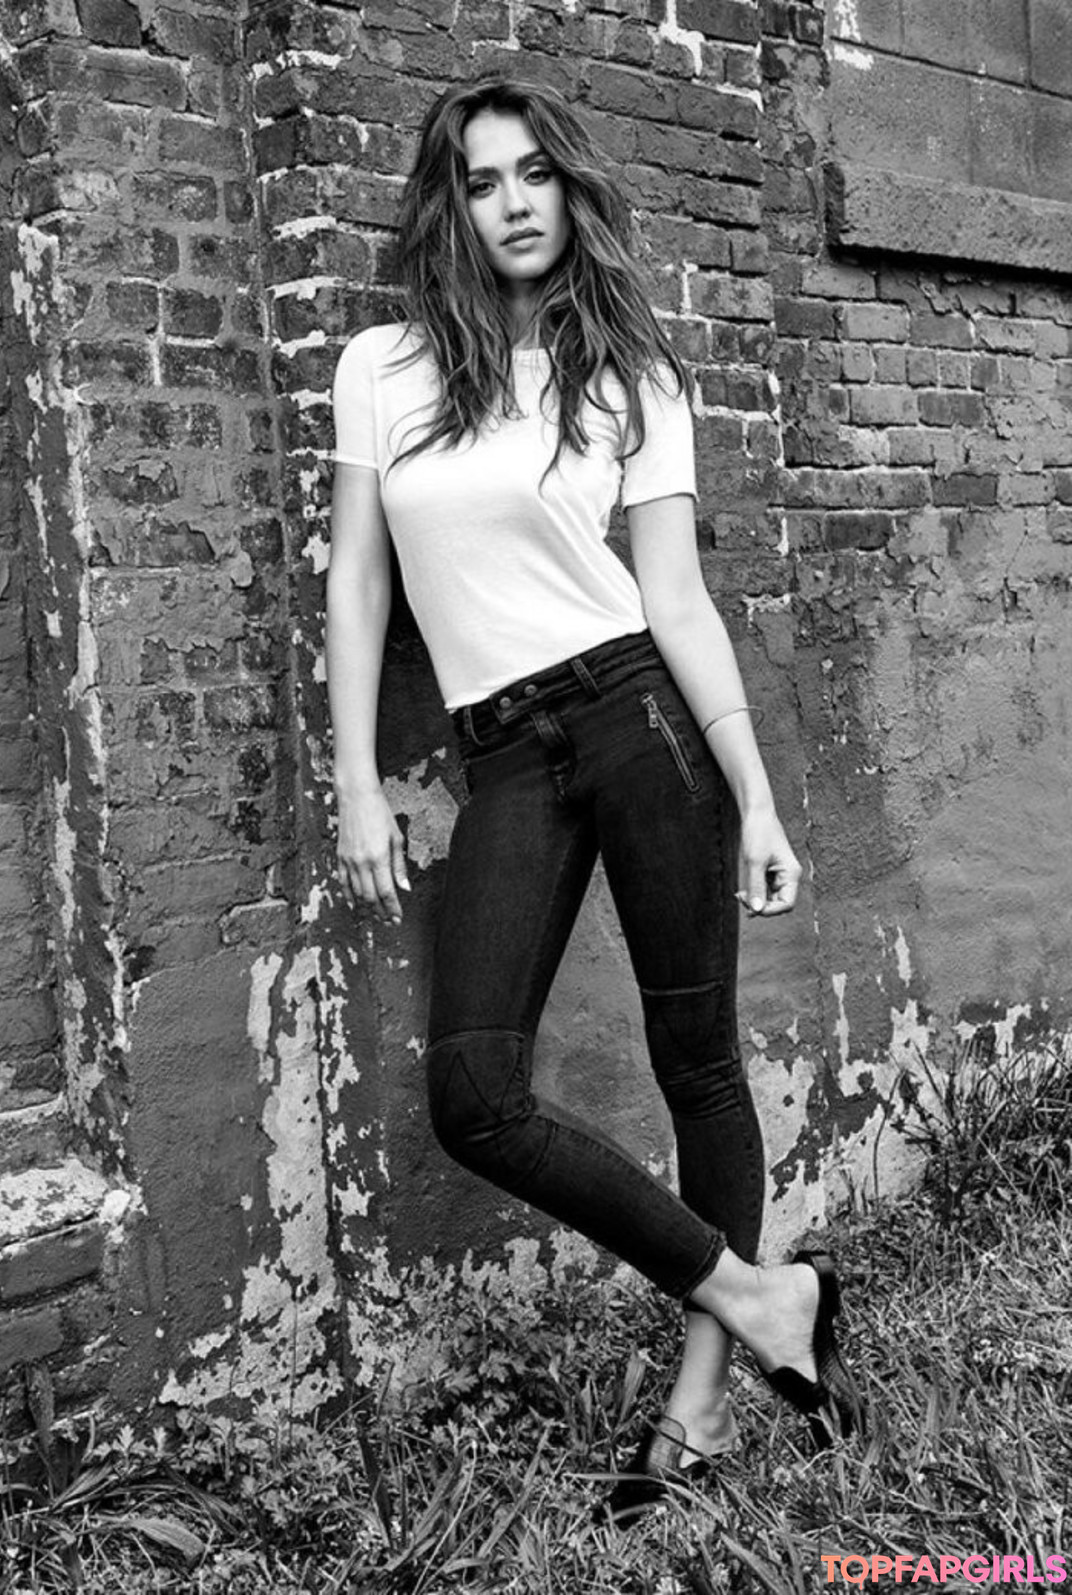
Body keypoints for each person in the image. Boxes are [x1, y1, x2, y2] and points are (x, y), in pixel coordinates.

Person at [325, 76, 862, 1522]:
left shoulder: (633, 377)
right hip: (506, 753)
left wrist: (755, 793)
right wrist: (357, 776)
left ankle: (698, 1410)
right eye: (481, 179)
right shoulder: (381, 367)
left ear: (569, 189)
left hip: (639, 721)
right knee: (474, 1094)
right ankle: (769, 1297)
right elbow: (359, 580)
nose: (512, 203)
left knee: (699, 1066)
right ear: (450, 204)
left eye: (534, 175)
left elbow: (676, 601)